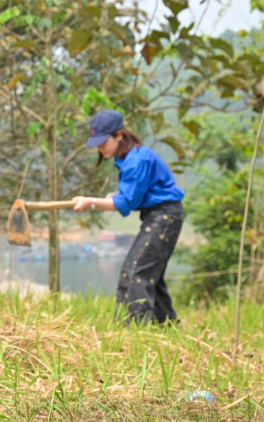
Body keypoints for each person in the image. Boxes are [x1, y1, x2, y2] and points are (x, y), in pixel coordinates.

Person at [71, 109, 185, 325]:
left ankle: (132, 329)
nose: (100, 147)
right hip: (161, 216)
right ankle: (167, 327)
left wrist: (91, 202)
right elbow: (135, 193)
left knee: (134, 272)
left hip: (164, 217)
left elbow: (126, 203)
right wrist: (112, 197)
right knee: (150, 274)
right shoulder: (129, 157)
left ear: (119, 135)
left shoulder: (136, 160)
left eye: (103, 141)